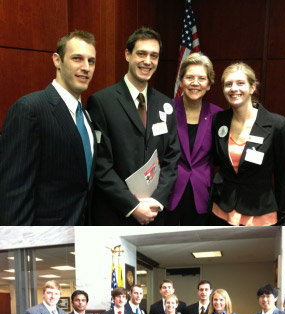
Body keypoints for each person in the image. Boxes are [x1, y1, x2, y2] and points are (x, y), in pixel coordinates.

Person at [0, 30, 97, 226]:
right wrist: (17, 250)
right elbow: (14, 190)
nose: (86, 67)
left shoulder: (86, 115)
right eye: (77, 58)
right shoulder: (29, 110)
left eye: (91, 61)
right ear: (57, 60)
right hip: (43, 241)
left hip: (81, 236)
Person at [87, 27, 181, 226]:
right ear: (127, 54)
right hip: (116, 213)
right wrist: (133, 206)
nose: (148, 61)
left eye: (154, 56)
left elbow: (172, 158)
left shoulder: (166, 104)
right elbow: (101, 164)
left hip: (155, 213)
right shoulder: (102, 102)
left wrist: (156, 201)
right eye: (141, 54)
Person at [209, 61, 285, 226]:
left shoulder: (277, 125)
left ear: (252, 87)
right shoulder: (219, 120)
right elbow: (215, 159)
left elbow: (283, 178)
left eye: (240, 83)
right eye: (228, 84)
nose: (234, 88)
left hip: (258, 214)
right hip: (221, 210)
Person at [165, 53, 223, 226]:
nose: (195, 83)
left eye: (201, 78)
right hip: (169, 192)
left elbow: (233, 147)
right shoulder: (166, 109)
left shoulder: (218, 115)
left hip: (202, 194)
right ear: (181, 81)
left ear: (209, 84)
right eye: (189, 77)